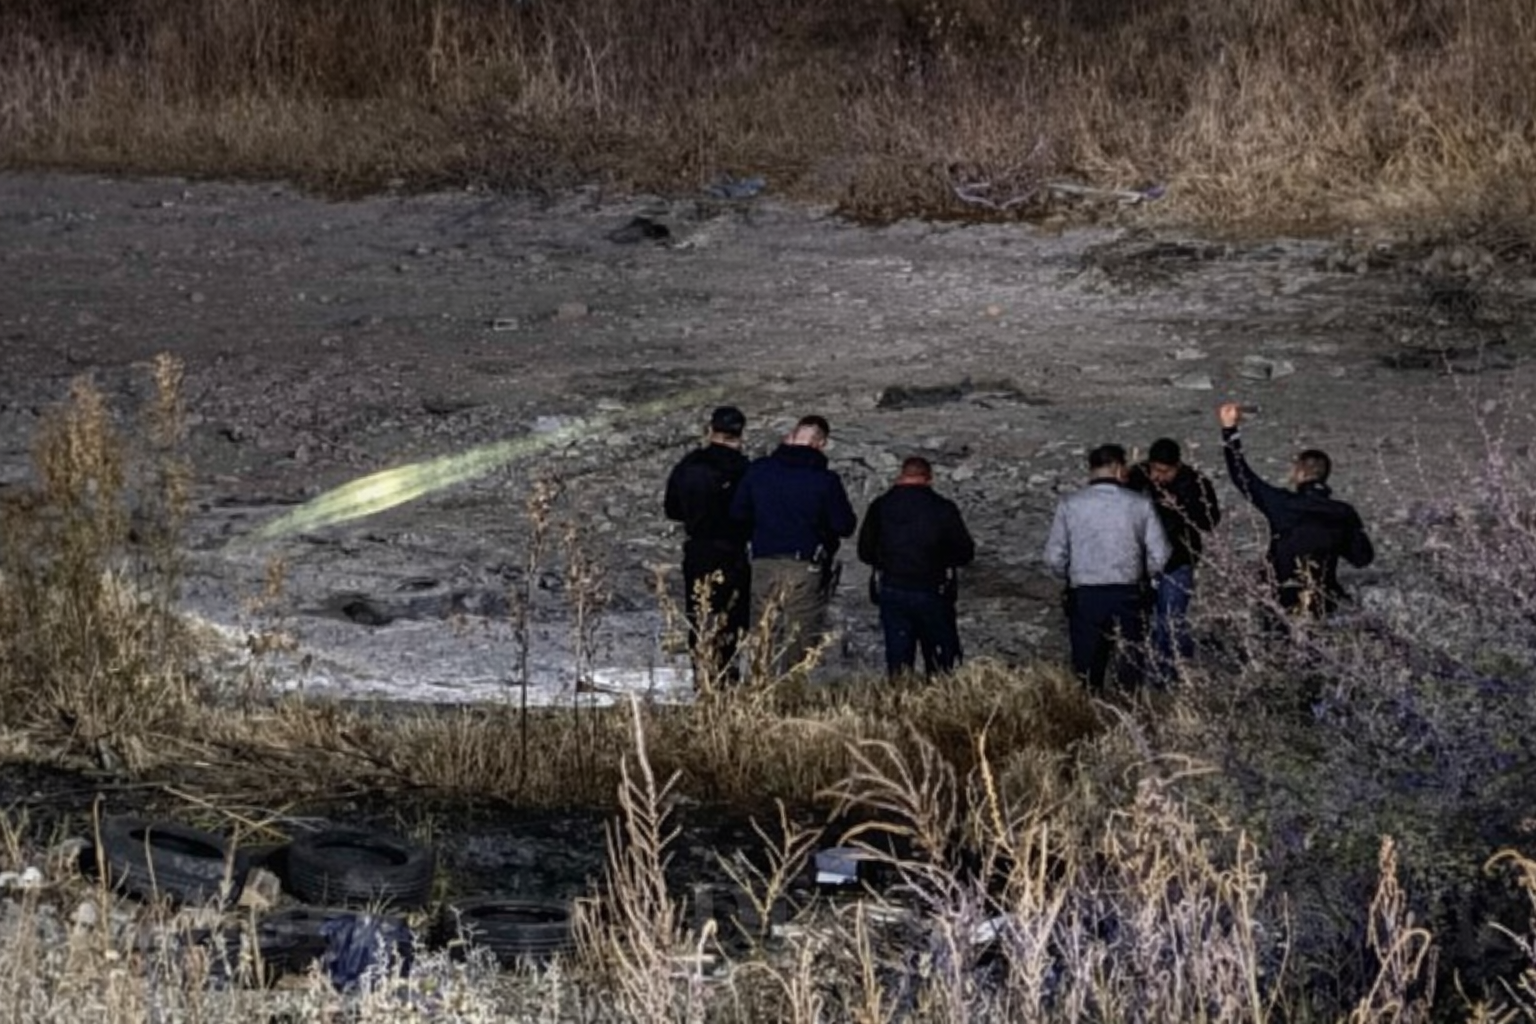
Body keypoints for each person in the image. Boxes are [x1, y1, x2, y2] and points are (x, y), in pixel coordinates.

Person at [1218, 403, 1374, 618]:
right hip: (1324, 600)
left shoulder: (1283, 504)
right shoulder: (1343, 513)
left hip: (1281, 598)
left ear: (1300, 472)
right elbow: (1362, 558)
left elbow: (1242, 477)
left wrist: (1229, 430)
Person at [730, 415, 857, 677]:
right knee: (799, 637)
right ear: (820, 444)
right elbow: (844, 524)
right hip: (804, 565)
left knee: (763, 632)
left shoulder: (760, 471)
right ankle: (791, 693)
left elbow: (737, 513)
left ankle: (758, 690)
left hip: (763, 561)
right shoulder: (824, 480)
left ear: (791, 436)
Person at [1043, 444, 1171, 691]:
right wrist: (1147, 574)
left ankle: (1090, 718)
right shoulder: (1139, 504)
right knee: (1130, 666)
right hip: (1129, 592)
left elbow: (1053, 556)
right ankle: (1130, 716)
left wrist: (1070, 574)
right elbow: (1161, 553)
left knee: (1087, 669)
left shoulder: (1071, 504)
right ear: (1117, 467)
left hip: (1086, 593)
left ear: (1092, 469)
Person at [857, 456, 976, 680]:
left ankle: (899, 701)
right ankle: (939, 702)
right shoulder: (943, 508)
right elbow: (964, 553)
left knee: (898, 657)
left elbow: (865, 551)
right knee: (941, 659)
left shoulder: (880, 506)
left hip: (892, 589)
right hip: (933, 590)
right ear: (929, 478)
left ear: (901, 474)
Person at [664, 405, 751, 684]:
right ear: (740, 433)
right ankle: (728, 675)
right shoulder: (745, 469)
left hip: (699, 549)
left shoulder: (688, 466)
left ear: (710, 429)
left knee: (700, 615)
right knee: (733, 615)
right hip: (734, 550)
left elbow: (672, 509)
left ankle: (703, 678)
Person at [1127, 438, 1222, 683]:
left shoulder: (1196, 484)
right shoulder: (1137, 477)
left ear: (1177, 467)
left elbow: (1209, 520)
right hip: (1141, 562)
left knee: (1169, 619)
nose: (1158, 476)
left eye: (1165, 472)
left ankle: (1165, 677)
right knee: (1144, 620)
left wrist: (1181, 509)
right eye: (1154, 470)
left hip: (1178, 561)